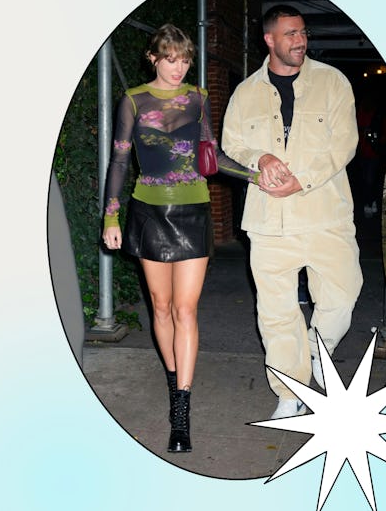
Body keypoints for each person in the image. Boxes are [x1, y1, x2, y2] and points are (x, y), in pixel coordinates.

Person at [101, 24, 260, 453]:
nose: (179, 67)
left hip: (192, 211)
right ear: (153, 58)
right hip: (149, 212)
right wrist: (111, 217)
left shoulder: (198, 98)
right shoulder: (133, 100)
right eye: (171, 59)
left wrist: (255, 176)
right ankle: (174, 379)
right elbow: (119, 161)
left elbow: (213, 154)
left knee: (186, 309)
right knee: (162, 306)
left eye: (185, 59)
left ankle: (182, 409)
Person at [222, 4, 363, 419]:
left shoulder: (332, 82)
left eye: (302, 33)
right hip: (268, 221)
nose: (299, 41)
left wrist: (302, 179)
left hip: (325, 214)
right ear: (269, 39)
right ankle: (290, 393)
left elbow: (344, 143)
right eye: (290, 34)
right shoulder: (245, 93)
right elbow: (230, 146)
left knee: (344, 293)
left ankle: (318, 347)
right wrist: (260, 158)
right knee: (276, 313)